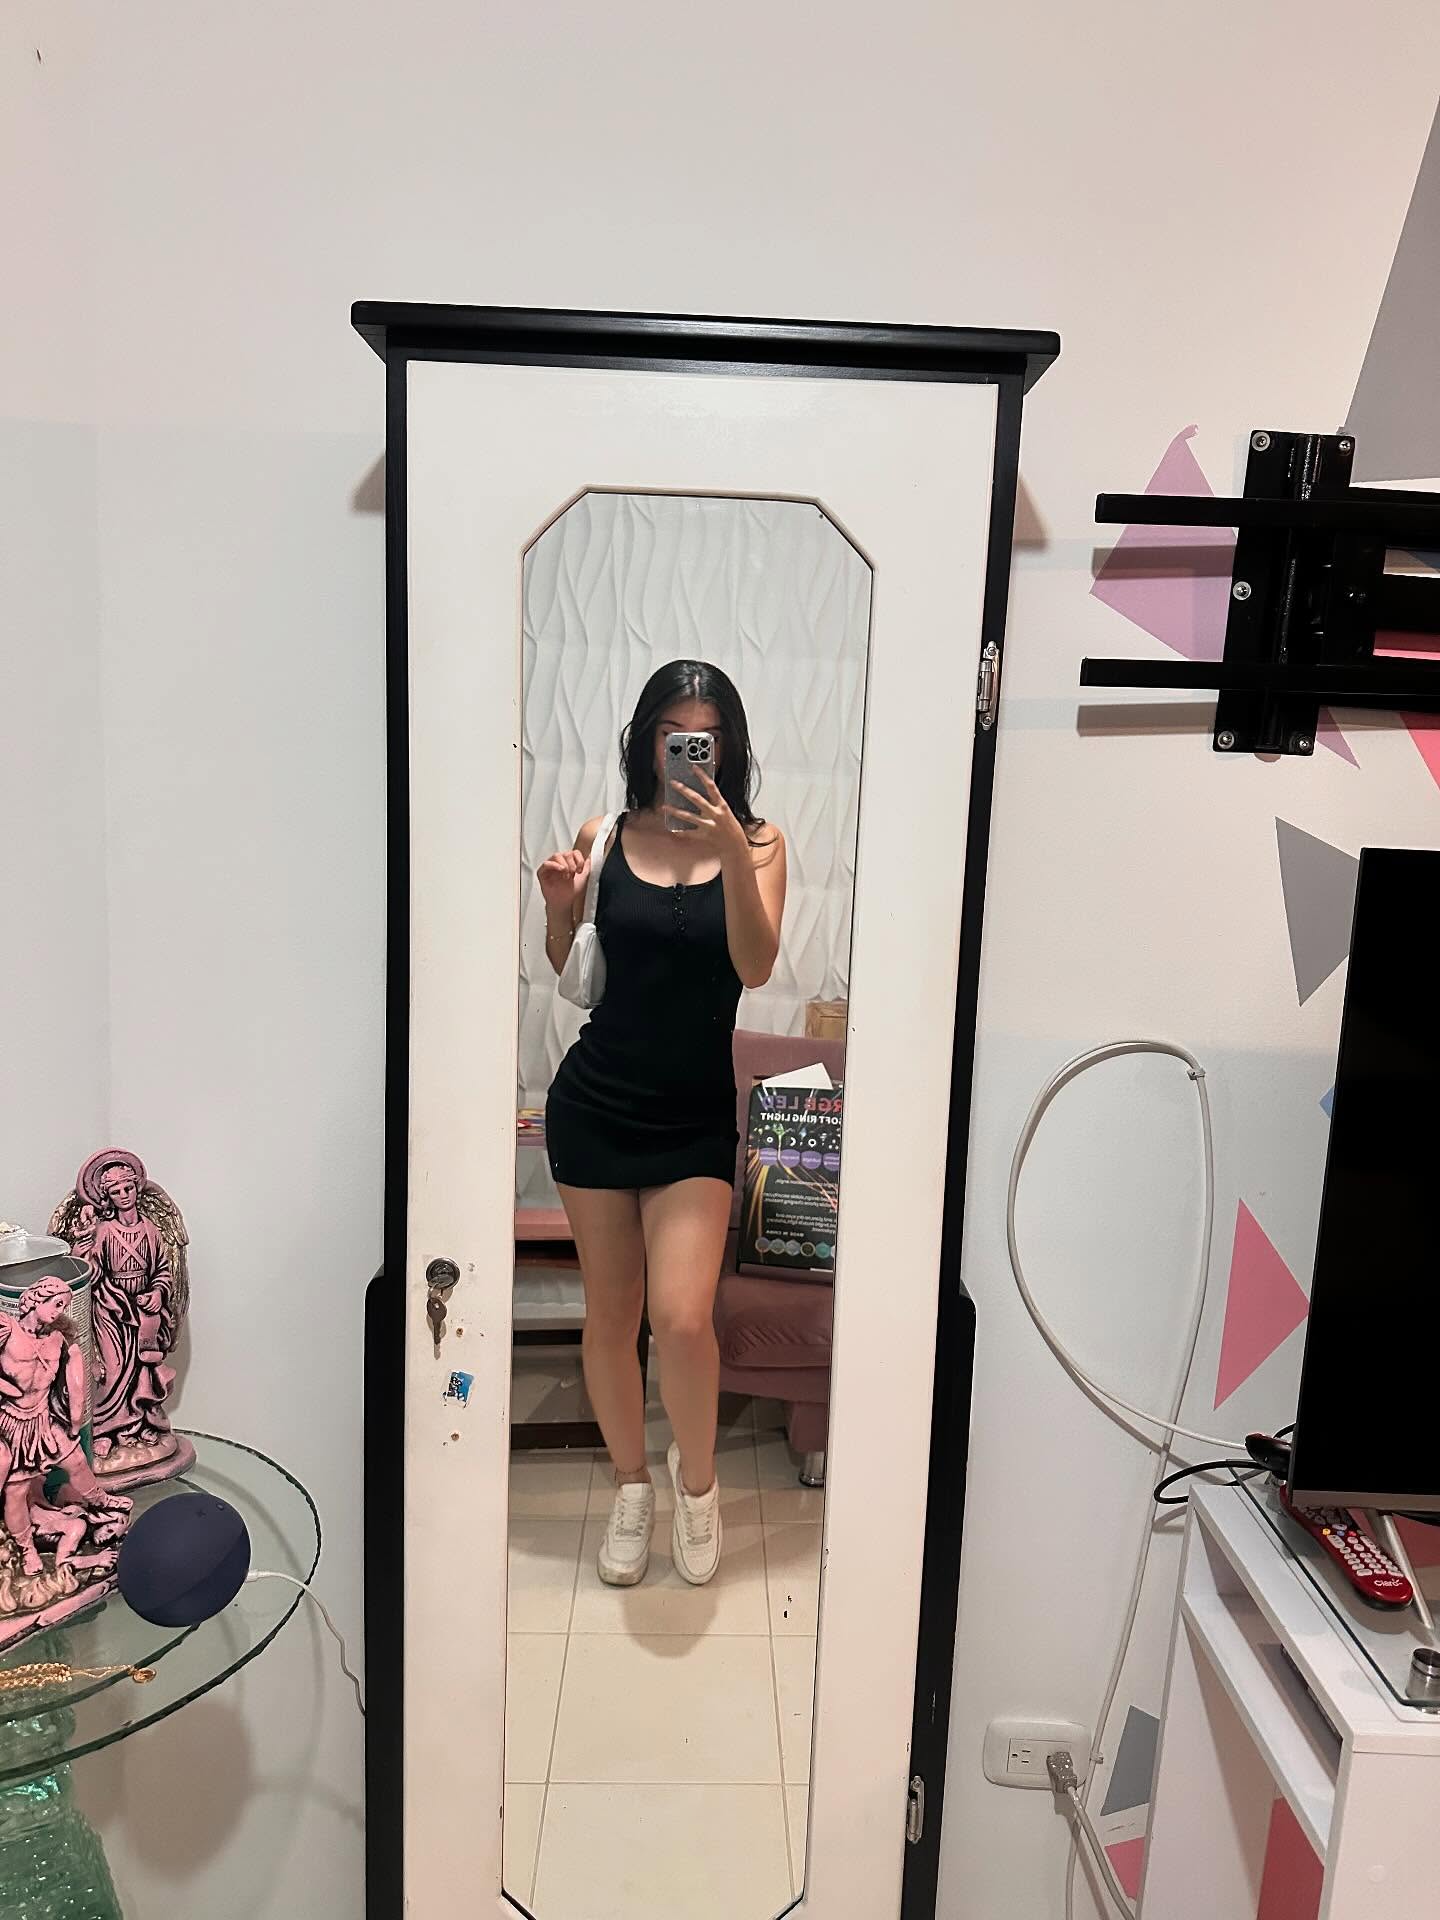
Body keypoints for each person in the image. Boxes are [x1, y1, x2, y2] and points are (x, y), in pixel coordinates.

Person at [539, 660, 786, 1587]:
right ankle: (631, 1485)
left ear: (730, 746)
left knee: (681, 1318)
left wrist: (729, 852)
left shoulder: (760, 843)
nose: (690, 750)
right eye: (674, 734)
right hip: (595, 1104)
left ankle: (699, 1487)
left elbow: (755, 967)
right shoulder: (603, 836)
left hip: (692, 1116)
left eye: (707, 738)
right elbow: (571, 969)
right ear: (647, 740)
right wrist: (556, 908)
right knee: (612, 1318)